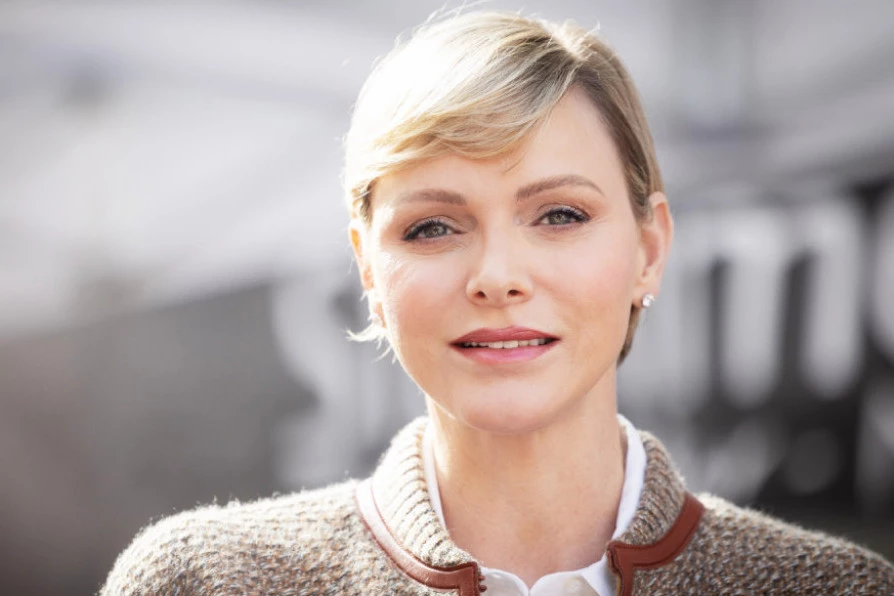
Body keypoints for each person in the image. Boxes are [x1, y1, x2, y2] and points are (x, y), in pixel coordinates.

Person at [101, 10, 894, 596]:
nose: (497, 276)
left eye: (560, 215)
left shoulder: (836, 589)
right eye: (433, 227)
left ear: (649, 249)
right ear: (368, 268)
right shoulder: (202, 582)